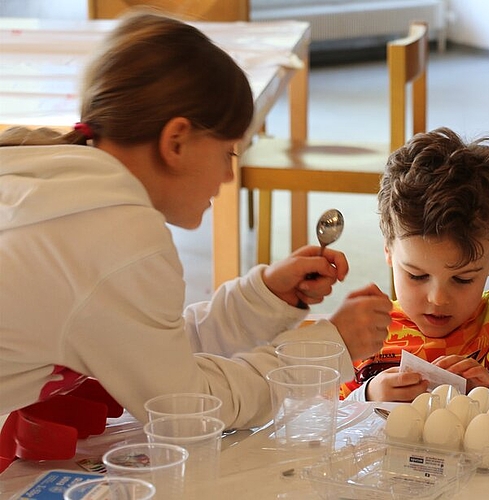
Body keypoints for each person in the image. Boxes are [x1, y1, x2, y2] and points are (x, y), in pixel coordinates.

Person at [0, 11, 392, 438]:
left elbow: (145, 346)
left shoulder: (52, 176)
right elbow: (189, 409)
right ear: (176, 141)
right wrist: (326, 347)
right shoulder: (118, 235)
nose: (228, 177)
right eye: (228, 153)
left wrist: (262, 299)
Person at [340, 127, 489, 411]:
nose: (438, 299)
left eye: (463, 279)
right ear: (389, 250)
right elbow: (322, 426)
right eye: (417, 275)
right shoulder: (366, 333)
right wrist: (367, 397)